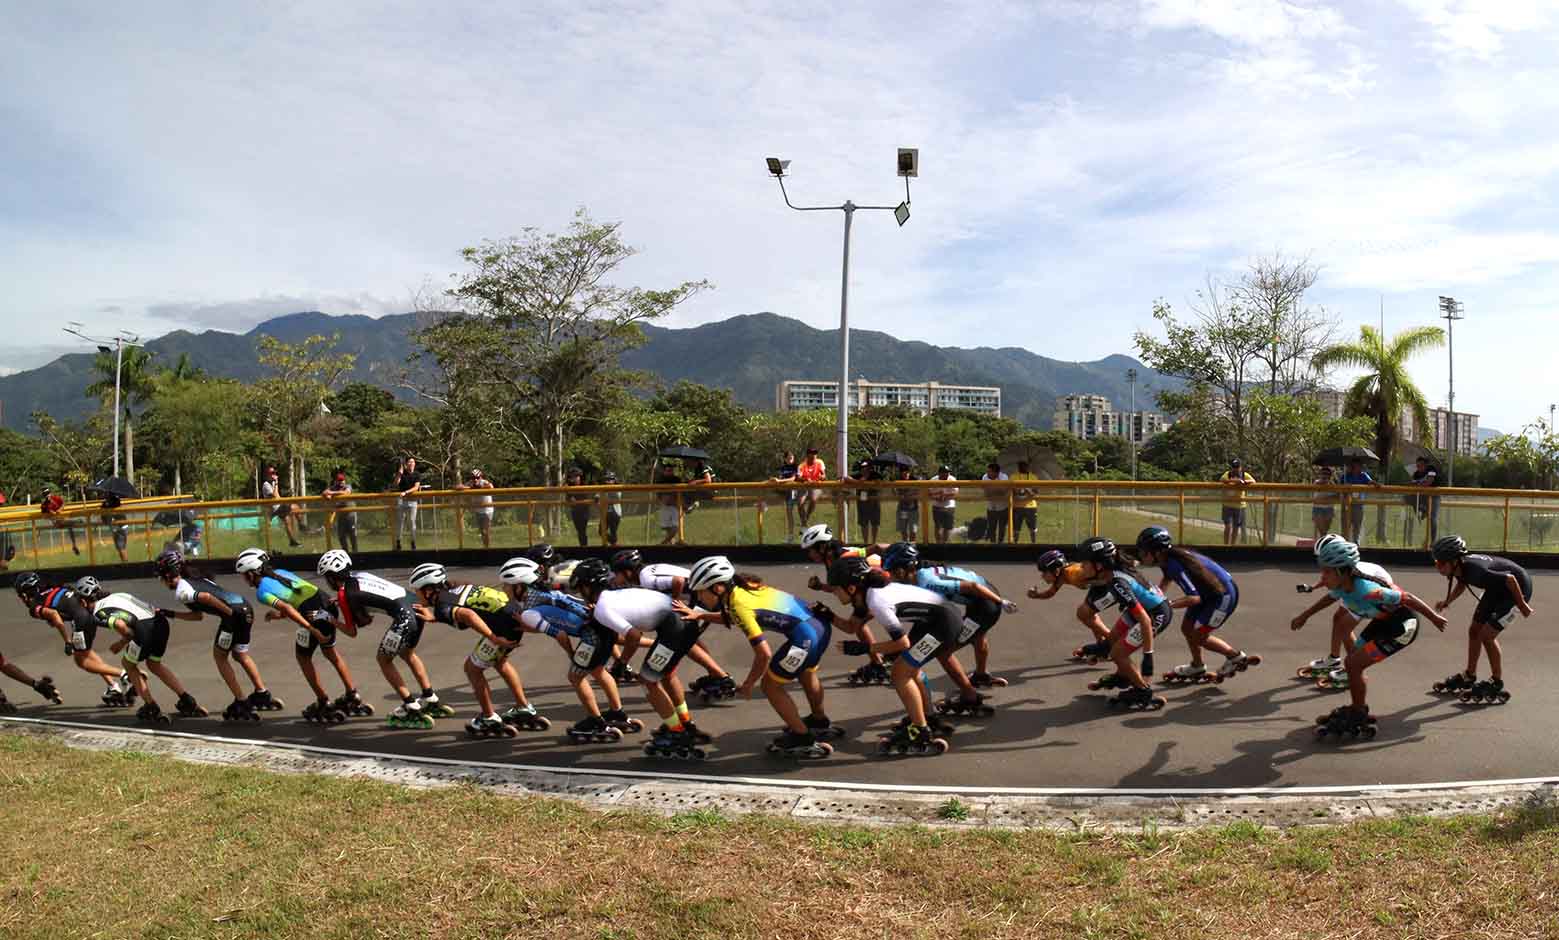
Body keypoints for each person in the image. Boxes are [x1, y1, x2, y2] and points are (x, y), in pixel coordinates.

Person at [676, 557, 838, 759]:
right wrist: (699, 615)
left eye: (700, 591)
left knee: (770, 686)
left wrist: (749, 683)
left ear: (717, 588)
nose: (699, 597)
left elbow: (763, 653)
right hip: (819, 627)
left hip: (805, 639)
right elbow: (734, 616)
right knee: (806, 673)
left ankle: (802, 738)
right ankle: (818, 720)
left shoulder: (738, 604)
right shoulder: (743, 586)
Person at [823, 556, 973, 755]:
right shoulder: (865, 595)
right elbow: (851, 627)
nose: (833, 592)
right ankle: (926, 717)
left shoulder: (877, 601)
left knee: (900, 673)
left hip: (943, 625)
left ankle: (920, 732)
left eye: (835, 588)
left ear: (851, 588)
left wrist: (865, 648)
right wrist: (827, 615)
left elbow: (902, 643)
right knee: (910, 668)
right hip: (933, 620)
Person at [570, 558, 713, 761]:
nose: (580, 595)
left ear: (587, 587)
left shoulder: (603, 607)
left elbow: (633, 636)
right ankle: (684, 723)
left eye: (580, 590)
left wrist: (621, 662)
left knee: (648, 681)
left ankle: (677, 733)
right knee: (666, 675)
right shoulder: (614, 595)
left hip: (674, 629)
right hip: (682, 622)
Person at [1309, 538, 1447, 739]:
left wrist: (1434, 617)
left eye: (1327, 571)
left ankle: (1358, 713)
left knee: (1354, 664)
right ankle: (1359, 708)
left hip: (1402, 628)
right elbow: (1329, 596)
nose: (1322, 576)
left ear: (1341, 571)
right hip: (1382, 623)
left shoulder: (1369, 591)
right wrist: (1304, 616)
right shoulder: (1341, 584)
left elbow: (1406, 598)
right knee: (1352, 662)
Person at [500, 556, 643, 742]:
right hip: (604, 629)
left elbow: (560, 635)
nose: (504, 589)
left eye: (506, 585)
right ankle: (617, 713)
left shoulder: (528, 611)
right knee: (599, 670)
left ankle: (596, 721)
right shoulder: (545, 594)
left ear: (520, 586)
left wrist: (571, 654)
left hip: (591, 636)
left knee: (575, 676)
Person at [407, 562, 548, 736]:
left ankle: (489, 718)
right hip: (512, 619)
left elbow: (468, 615)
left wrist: (493, 638)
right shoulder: (457, 588)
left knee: (472, 669)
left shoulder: (442, 605)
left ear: (428, 591)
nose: (415, 594)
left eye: (416, 590)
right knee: (500, 662)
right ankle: (524, 708)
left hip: (501, 631)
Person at [317, 549, 449, 729]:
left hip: (404, 618)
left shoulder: (345, 594)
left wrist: (330, 619)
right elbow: (365, 594)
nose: (327, 581)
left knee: (383, 660)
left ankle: (410, 706)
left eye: (326, 577)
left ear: (332, 577)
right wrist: (345, 602)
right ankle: (429, 698)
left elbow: (353, 630)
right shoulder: (359, 575)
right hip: (415, 607)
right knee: (407, 653)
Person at [236, 547, 370, 722]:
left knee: (303, 657)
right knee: (331, 653)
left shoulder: (261, 592)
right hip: (326, 605)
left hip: (312, 616)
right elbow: (295, 598)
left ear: (253, 573)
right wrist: (277, 615)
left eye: (244, 575)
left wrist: (311, 628)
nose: (244, 579)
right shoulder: (281, 573)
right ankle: (352, 695)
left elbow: (289, 608)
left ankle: (323, 702)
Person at [154, 549, 280, 722]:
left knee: (220, 657)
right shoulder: (196, 579)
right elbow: (198, 616)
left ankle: (241, 701)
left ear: (167, 575)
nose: (161, 582)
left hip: (232, 615)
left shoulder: (182, 591)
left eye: (160, 578)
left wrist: (227, 613)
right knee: (240, 655)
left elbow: (206, 597)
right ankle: (262, 693)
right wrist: (170, 613)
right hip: (245, 608)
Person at [881, 541, 1019, 695]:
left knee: (943, 651)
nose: (890, 576)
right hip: (980, 599)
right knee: (977, 636)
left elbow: (973, 587)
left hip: (986, 604)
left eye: (892, 572)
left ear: (904, 569)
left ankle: (969, 695)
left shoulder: (928, 582)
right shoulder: (921, 572)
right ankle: (981, 675)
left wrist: (1001, 602)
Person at [1134, 527, 1259, 684]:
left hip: (1223, 596)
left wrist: (1166, 605)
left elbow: (1193, 598)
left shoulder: (1174, 564)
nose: (1141, 555)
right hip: (1209, 592)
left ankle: (1235, 657)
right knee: (1187, 628)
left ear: (1157, 552)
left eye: (1144, 552)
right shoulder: (1167, 558)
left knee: (1199, 636)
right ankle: (1197, 666)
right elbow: (1166, 579)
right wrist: (1155, 598)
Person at [607, 548, 736, 700]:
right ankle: (715, 674)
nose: (616, 578)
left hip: (704, 596)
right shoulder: (647, 572)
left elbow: (678, 581)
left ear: (628, 572)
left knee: (686, 641)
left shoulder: (646, 579)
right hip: (702, 594)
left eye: (617, 574)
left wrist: (673, 603)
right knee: (690, 639)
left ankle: (721, 677)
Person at [1429, 535, 1532, 704]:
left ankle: (1496, 681)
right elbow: (1462, 583)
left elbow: (1511, 579)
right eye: (1436, 563)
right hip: (1496, 588)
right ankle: (1470, 675)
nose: (1438, 567)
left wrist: (1522, 605)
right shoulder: (1459, 567)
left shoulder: (1477, 570)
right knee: (1474, 630)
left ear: (1454, 561)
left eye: (1441, 564)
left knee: (1487, 635)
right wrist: (1448, 601)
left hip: (1517, 589)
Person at [84, 585, 208, 723]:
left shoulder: (97, 612)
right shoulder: (118, 594)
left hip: (145, 630)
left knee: (128, 665)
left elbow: (121, 626)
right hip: (160, 622)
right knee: (154, 664)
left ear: (84, 601)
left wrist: (121, 643)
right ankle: (187, 701)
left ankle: (151, 706)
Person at [1074, 537, 1171, 710]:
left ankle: (1143, 691)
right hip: (1146, 608)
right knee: (1111, 642)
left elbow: (1144, 620)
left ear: (1100, 566)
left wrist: (1148, 656)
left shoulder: (1118, 583)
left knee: (1118, 653)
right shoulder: (1113, 572)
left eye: (1085, 563)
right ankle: (1124, 675)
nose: (1081, 567)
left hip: (1155, 615)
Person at [1290, 533, 1395, 689]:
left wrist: (1304, 616)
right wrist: (1312, 587)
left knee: (1344, 626)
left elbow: (1330, 598)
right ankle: (1334, 659)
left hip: (1370, 595)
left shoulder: (1358, 582)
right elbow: (1326, 580)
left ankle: (1352, 668)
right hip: (1358, 589)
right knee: (1337, 618)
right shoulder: (1340, 570)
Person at [14, 572, 133, 705]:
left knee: (81, 661)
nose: (21, 598)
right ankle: (113, 687)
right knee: (86, 652)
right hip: (87, 611)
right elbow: (67, 601)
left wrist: (67, 641)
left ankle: (124, 674)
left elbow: (54, 615)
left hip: (80, 620)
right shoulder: (53, 587)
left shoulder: (34, 606)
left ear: (25, 594)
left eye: (20, 595)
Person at [1027, 549, 1113, 652]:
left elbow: (1099, 571)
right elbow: (1050, 593)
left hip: (1110, 585)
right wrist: (1036, 595)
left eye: (1044, 572)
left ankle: (1112, 640)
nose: (1042, 576)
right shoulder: (1061, 577)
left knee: (1083, 613)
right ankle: (1102, 643)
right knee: (1087, 614)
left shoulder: (1073, 573)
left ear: (1056, 570)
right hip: (1098, 587)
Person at [762, 451, 800, 542]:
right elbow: (781, 478)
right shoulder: (783, 468)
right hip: (784, 489)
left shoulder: (796, 466)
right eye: (789, 458)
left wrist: (779, 481)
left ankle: (791, 536)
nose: (791, 460)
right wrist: (775, 480)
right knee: (769, 485)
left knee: (789, 513)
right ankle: (765, 504)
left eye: (792, 458)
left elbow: (793, 479)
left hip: (793, 490)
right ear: (785, 459)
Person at [1339, 456, 1379, 544]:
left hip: (1358, 503)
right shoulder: (1345, 476)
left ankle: (1356, 542)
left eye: (1360, 465)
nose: (1358, 467)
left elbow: (1370, 482)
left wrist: (1375, 483)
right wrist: (1345, 487)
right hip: (1347, 503)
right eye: (1356, 465)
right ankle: (1344, 542)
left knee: (1357, 524)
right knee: (1345, 524)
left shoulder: (1363, 475)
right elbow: (1340, 489)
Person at [261, 466, 303, 548]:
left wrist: (284, 500)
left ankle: (292, 540)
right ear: (267, 474)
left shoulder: (272, 483)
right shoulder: (266, 485)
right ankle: (302, 526)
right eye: (272, 473)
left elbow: (278, 497)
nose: (274, 474)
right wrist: (276, 482)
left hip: (278, 506)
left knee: (288, 517)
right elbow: (274, 496)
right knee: (294, 507)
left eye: (274, 473)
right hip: (273, 509)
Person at [1218, 459, 1255, 546]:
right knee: (1228, 526)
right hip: (1227, 504)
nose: (1235, 469)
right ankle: (1226, 546)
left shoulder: (1244, 475)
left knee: (1236, 527)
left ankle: (1232, 546)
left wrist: (1244, 482)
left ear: (1240, 467)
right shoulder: (1228, 474)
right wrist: (1234, 481)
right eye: (1234, 467)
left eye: (1237, 467)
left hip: (1239, 505)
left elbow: (1253, 481)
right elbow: (1222, 480)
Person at [322, 469, 359, 553]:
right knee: (341, 535)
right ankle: (345, 552)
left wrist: (331, 493)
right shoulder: (333, 488)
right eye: (339, 480)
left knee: (352, 535)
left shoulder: (348, 486)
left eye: (342, 480)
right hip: (341, 515)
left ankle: (355, 552)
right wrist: (328, 495)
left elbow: (346, 493)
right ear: (336, 481)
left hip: (351, 514)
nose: (341, 482)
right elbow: (324, 492)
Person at [39, 485, 81, 556]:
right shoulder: (44, 504)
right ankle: (77, 522)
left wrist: (60, 510)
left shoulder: (55, 498)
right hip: (55, 522)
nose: (47, 495)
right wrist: (51, 513)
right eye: (45, 494)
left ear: (50, 493)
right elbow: (44, 515)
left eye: (48, 493)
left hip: (62, 519)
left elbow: (63, 503)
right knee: (73, 524)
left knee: (70, 528)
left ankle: (74, 545)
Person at [849, 460, 883, 545]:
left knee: (875, 523)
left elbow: (880, 480)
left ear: (870, 468)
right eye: (862, 468)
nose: (864, 470)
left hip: (874, 502)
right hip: (862, 502)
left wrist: (870, 485)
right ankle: (866, 543)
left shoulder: (875, 474)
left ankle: (874, 542)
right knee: (864, 523)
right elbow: (846, 478)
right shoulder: (858, 475)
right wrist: (858, 482)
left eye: (866, 468)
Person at [392, 457, 423, 552]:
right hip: (402, 501)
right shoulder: (402, 473)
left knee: (412, 522)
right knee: (400, 523)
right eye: (410, 462)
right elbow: (395, 484)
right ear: (406, 464)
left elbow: (416, 487)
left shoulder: (417, 474)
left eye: (413, 462)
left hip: (413, 501)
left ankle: (413, 542)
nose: (411, 463)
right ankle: (398, 542)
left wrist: (405, 492)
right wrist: (399, 473)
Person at [1410, 456, 1442, 544]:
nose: (1419, 468)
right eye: (1417, 466)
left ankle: (1433, 542)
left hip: (1434, 496)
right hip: (1423, 497)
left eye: (1421, 465)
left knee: (1433, 519)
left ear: (1425, 465)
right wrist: (1417, 483)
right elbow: (1411, 485)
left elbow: (1429, 482)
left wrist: (1418, 484)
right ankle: (1422, 511)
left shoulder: (1431, 469)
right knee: (1408, 497)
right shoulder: (1416, 473)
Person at [795, 447, 827, 527]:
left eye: (815, 453)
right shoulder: (802, 465)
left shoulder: (820, 462)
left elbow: (824, 476)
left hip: (816, 486)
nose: (814, 455)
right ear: (807, 455)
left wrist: (821, 477)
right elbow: (798, 478)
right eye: (811, 453)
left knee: (813, 499)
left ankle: (806, 518)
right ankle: (804, 522)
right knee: (800, 503)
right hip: (804, 487)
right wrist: (806, 479)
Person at [654, 462, 683, 545]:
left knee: (675, 527)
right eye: (667, 470)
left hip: (675, 506)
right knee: (667, 527)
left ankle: (663, 543)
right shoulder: (660, 480)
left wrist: (675, 500)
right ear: (664, 471)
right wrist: (661, 500)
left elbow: (681, 492)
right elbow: (657, 493)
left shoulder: (676, 479)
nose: (669, 472)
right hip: (664, 506)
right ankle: (671, 543)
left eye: (670, 470)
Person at [980, 461, 1010, 543]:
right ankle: (992, 544)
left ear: (996, 472)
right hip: (990, 506)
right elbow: (986, 492)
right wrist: (996, 489)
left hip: (1003, 507)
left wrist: (992, 489)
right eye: (987, 471)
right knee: (991, 527)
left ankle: (1000, 543)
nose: (987, 473)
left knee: (1002, 527)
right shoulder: (985, 477)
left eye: (989, 471)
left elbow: (1003, 491)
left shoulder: (1004, 477)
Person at [928, 466, 959, 543]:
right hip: (937, 506)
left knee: (947, 527)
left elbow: (955, 492)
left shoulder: (952, 479)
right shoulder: (933, 479)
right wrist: (937, 497)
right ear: (939, 473)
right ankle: (938, 543)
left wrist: (945, 497)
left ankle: (944, 543)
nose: (947, 474)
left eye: (948, 472)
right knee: (938, 526)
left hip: (949, 506)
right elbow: (929, 493)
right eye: (945, 473)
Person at [1011, 460, 1040, 543]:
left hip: (1030, 506)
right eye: (1020, 465)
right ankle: (1014, 544)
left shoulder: (1033, 477)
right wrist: (1017, 491)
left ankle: (1033, 543)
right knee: (1016, 529)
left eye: (1024, 465)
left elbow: (1036, 492)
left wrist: (1028, 491)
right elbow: (1010, 491)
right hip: (1017, 506)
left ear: (1028, 466)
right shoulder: (1013, 477)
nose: (1022, 467)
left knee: (1032, 528)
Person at [564, 466, 593, 546]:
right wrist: (570, 498)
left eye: (576, 476)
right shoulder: (569, 487)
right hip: (575, 511)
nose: (574, 478)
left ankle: (584, 546)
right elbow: (568, 499)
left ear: (580, 476)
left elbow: (592, 495)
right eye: (572, 477)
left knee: (582, 530)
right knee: (580, 531)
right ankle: (583, 545)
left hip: (584, 511)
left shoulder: (585, 484)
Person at [100, 494, 131, 563]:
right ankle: (125, 563)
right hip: (116, 527)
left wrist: (106, 506)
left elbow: (112, 513)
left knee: (121, 548)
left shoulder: (115, 500)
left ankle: (126, 564)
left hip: (120, 527)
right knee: (120, 548)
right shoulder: (106, 503)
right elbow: (103, 517)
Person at [893, 465, 920, 541]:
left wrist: (910, 496)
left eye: (907, 472)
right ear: (900, 473)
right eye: (903, 472)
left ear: (909, 472)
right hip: (902, 509)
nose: (905, 473)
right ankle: (905, 547)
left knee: (913, 530)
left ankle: (912, 547)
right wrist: (899, 495)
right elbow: (895, 492)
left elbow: (919, 492)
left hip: (913, 509)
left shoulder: (915, 480)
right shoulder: (897, 481)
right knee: (903, 530)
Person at [1311, 465, 1337, 539]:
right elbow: (1316, 493)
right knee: (1322, 530)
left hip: (1329, 509)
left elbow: (1337, 495)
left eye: (1327, 474)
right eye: (1323, 473)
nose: (1324, 475)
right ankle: (1322, 544)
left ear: (1330, 476)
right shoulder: (1316, 482)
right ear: (1320, 474)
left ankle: (1322, 543)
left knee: (1325, 530)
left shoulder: (1332, 484)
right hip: (1318, 508)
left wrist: (1328, 497)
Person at [599, 471, 623, 546]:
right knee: (601, 531)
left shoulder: (617, 488)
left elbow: (617, 496)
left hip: (614, 513)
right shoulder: (603, 488)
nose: (608, 481)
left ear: (614, 480)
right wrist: (597, 497)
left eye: (610, 479)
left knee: (613, 531)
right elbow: (598, 495)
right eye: (607, 479)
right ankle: (613, 542)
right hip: (605, 513)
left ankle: (614, 544)